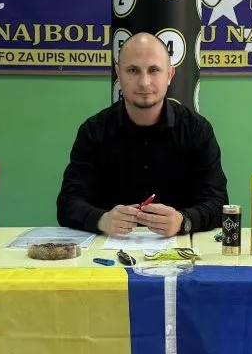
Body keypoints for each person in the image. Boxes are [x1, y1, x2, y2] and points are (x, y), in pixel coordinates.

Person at [57, 32, 228, 238]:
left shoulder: (197, 130)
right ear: (119, 75)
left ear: (169, 75)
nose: (144, 82)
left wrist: (184, 221)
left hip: (180, 250)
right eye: (133, 70)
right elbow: (68, 203)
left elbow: (218, 203)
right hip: (106, 250)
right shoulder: (93, 131)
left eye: (154, 70)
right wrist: (101, 219)